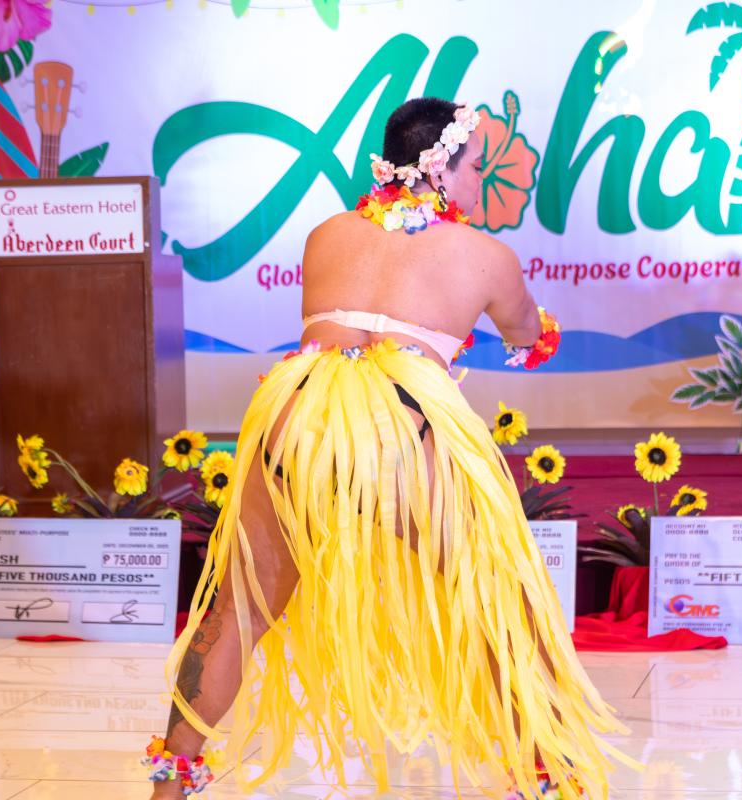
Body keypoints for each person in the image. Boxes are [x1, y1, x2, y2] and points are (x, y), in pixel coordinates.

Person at [145, 97, 632, 800]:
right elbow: (528, 335)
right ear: (440, 168)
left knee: (238, 611)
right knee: (497, 598)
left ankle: (168, 786)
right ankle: (550, 779)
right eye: (475, 165)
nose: (481, 179)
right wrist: (527, 331)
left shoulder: (326, 234)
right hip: (397, 424)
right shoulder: (485, 255)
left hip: (297, 417)